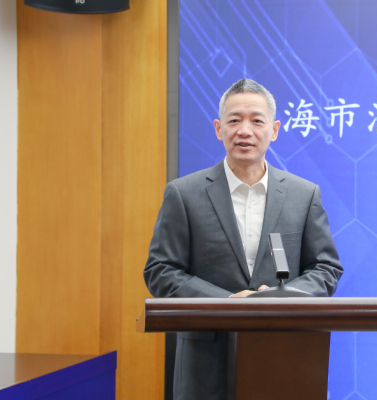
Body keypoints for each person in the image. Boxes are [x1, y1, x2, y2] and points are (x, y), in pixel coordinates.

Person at [144, 78, 343, 400]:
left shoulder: (303, 195)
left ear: (274, 130)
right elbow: (160, 271)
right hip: (205, 365)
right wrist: (227, 303)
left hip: (283, 355)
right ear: (218, 128)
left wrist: (278, 299)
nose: (244, 131)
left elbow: (325, 269)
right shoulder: (184, 194)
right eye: (234, 120)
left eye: (257, 121)